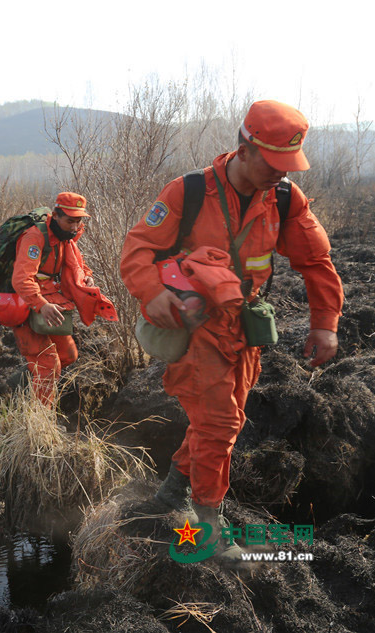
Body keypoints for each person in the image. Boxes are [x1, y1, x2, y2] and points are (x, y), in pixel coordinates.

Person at [120, 100, 343, 554]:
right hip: (198, 328)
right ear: (245, 149)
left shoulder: (285, 198)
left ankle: (169, 492)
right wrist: (154, 292)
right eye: (275, 163)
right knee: (221, 423)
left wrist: (325, 324)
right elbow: (138, 251)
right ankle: (209, 528)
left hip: (245, 334)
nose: (282, 173)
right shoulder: (188, 192)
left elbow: (316, 261)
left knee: (219, 420)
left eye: (289, 165)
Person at [10, 193, 100, 405]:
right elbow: (21, 279)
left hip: (52, 301)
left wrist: (87, 277)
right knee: (49, 364)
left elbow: (79, 265)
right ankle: (40, 421)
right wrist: (42, 305)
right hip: (26, 305)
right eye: (70, 220)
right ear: (56, 215)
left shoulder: (67, 240)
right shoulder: (35, 237)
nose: (75, 226)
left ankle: (19, 385)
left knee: (68, 355)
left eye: (78, 221)